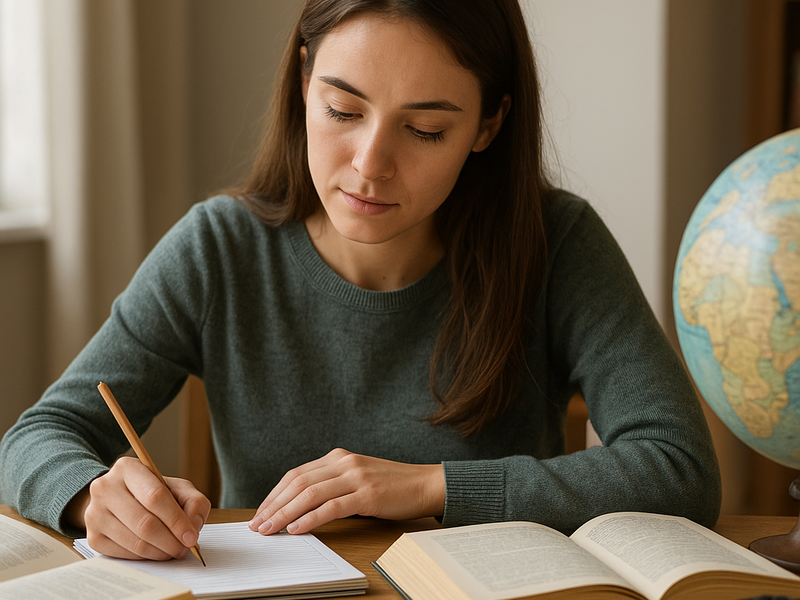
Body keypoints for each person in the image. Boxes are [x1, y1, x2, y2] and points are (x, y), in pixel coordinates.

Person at [0, 0, 721, 563]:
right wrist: (90, 498)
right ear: (304, 80)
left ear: (489, 124)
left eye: (426, 130)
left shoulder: (555, 242)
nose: (370, 165)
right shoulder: (218, 249)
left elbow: (678, 466)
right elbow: (40, 434)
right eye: (343, 110)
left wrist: (427, 486)